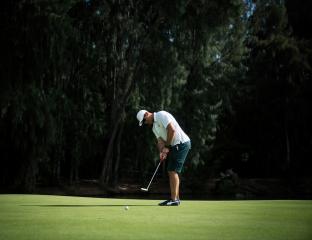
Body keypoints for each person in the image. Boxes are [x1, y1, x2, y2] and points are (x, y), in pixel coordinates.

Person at [136, 110, 191, 206]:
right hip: (174, 145)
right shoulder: (154, 128)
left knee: (173, 170)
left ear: (146, 114)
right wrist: (161, 152)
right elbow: (160, 141)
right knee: (171, 170)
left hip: (182, 143)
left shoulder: (162, 115)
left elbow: (172, 130)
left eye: (144, 121)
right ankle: (175, 199)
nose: (146, 123)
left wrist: (167, 147)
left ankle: (174, 199)